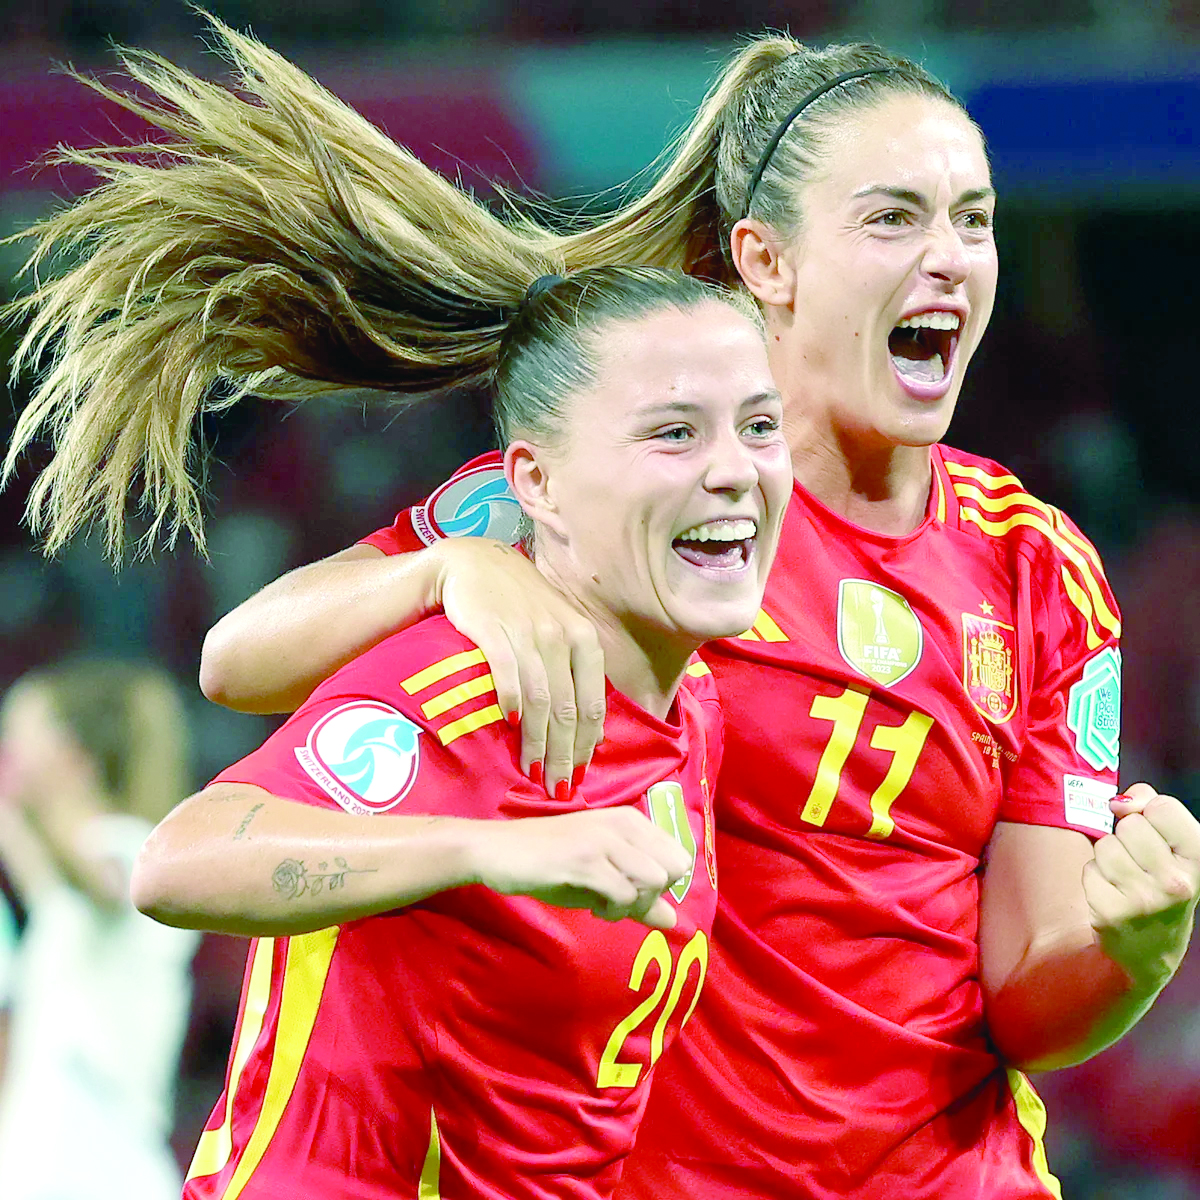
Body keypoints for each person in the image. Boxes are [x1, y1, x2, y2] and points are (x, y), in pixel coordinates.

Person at [4, 17, 1199, 1198]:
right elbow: (237, 667)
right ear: (768, 262)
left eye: (974, 220)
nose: (948, 257)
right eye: (893, 218)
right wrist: (440, 571)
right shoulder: (622, 515)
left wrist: (1132, 953)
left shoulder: (1038, 572)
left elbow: (1027, 998)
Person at [128, 265, 792, 1199]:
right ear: (537, 484)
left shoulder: (694, 708)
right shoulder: (466, 686)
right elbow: (177, 862)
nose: (734, 470)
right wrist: (484, 850)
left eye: (760, 426)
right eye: (674, 434)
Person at [0, 659, 199, 1200]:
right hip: (55, 1164)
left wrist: (45, 808)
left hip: (98, 1166)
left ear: (71, 756)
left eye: (19, 740)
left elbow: (100, 884)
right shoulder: (65, 899)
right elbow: (46, 881)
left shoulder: (130, 851)